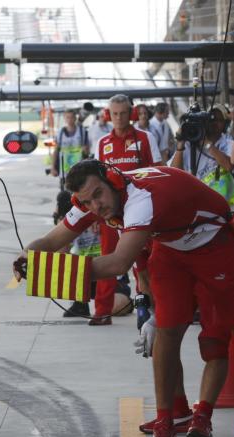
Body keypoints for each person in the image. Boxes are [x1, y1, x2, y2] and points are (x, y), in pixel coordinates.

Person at [16, 161, 234, 437]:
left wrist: (55, 273)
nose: (96, 206)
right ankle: (166, 419)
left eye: (98, 195)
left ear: (113, 181)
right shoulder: (95, 197)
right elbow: (52, 239)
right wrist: (26, 258)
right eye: (87, 201)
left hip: (214, 242)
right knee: (167, 329)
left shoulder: (140, 199)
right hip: (172, 247)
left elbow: (118, 262)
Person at [89, 94, 162, 326]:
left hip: (141, 213)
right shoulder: (101, 143)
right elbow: (94, 183)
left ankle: (159, 311)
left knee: (148, 264)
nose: (118, 118)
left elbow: (158, 172)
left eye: (123, 113)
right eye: (114, 114)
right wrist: (94, 214)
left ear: (131, 114)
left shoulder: (145, 138)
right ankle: (102, 311)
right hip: (111, 215)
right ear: (107, 115)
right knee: (108, 261)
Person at [51, 108, 91, 317]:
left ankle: (83, 301)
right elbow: (57, 150)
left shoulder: (82, 133)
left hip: (78, 178)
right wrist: (55, 166)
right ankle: (80, 302)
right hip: (69, 178)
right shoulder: (61, 133)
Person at [170, 104, 234, 210]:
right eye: (211, 119)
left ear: (225, 124)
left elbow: (229, 166)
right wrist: (180, 144)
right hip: (196, 202)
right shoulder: (190, 144)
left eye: (218, 120)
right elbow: (174, 172)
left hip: (222, 204)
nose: (214, 123)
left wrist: (207, 143)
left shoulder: (229, 143)